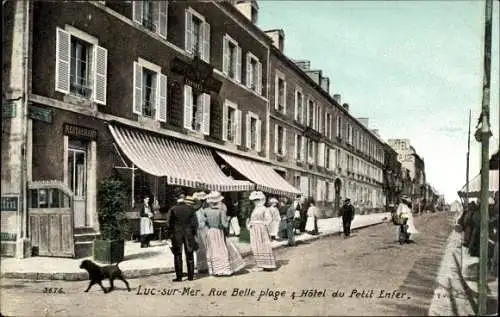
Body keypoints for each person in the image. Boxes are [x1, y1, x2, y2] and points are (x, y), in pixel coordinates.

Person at [203, 191, 245, 277]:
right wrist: (227, 220)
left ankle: (215, 270)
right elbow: (225, 225)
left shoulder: (205, 211)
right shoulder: (220, 211)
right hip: (218, 232)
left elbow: (204, 223)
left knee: (213, 250)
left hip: (210, 232)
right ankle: (224, 269)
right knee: (221, 249)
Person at [165, 192, 199, 282]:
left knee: (177, 255)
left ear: (176, 199)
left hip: (177, 235)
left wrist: (170, 234)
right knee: (190, 255)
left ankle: (179, 277)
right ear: (184, 199)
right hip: (189, 234)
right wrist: (193, 233)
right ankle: (191, 277)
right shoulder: (190, 209)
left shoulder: (173, 209)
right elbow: (195, 223)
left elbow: (168, 224)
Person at [248, 191, 276, 271]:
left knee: (262, 245)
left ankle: (265, 264)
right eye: (254, 200)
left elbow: (269, 219)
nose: (255, 202)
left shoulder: (264, 208)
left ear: (261, 200)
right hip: (254, 229)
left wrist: (263, 224)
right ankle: (259, 264)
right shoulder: (255, 209)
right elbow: (252, 219)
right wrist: (250, 224)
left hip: (260, 229)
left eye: (257, 200)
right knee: (256, 246)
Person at [192, 191, 209, 274]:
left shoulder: (201, 209)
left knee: (204, 248)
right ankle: (201, 267)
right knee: (201, 249)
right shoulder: (196, 210)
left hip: (203, 230)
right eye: (202, 201)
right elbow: (198, 222)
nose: (203, 202)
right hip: (199, 230)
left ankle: (204, 266)